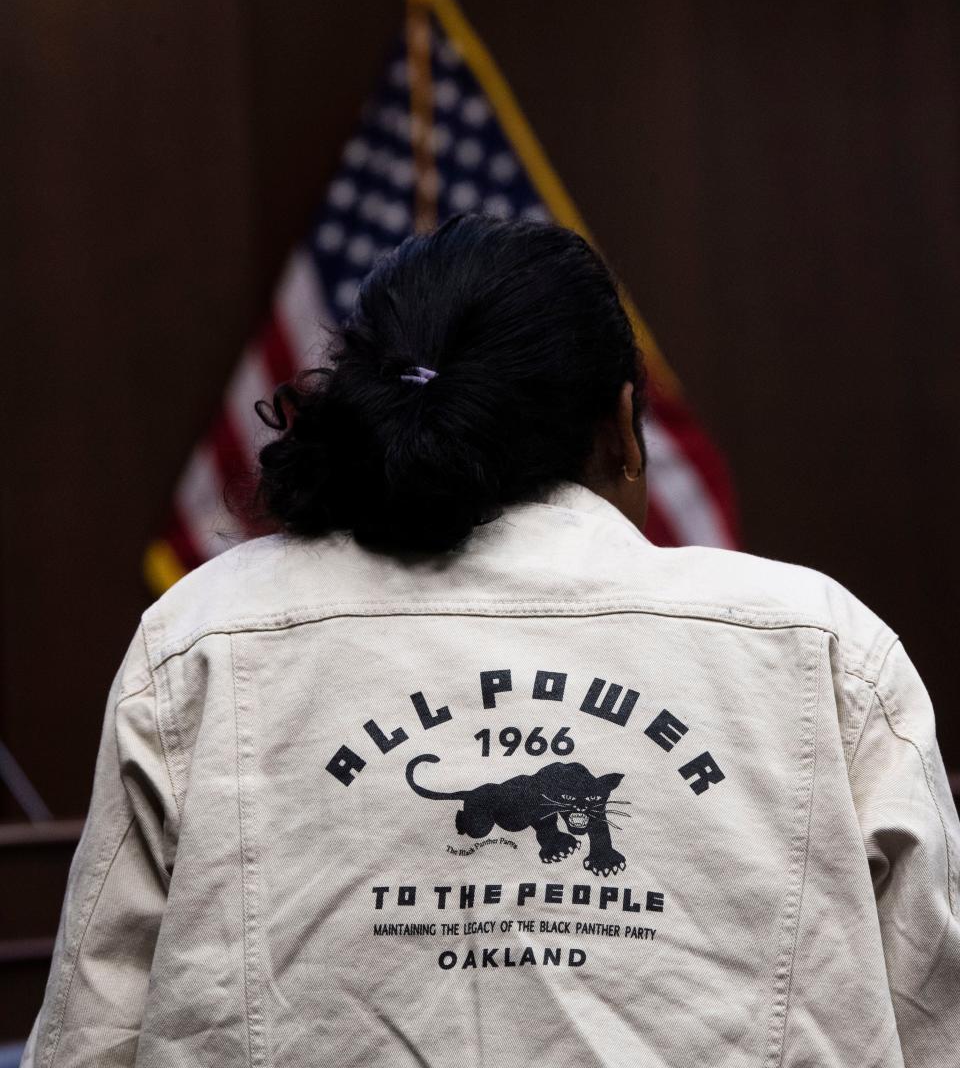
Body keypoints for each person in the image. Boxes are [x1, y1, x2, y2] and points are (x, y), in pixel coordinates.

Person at [23, 214, 959, 1066]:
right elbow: (936, 1021)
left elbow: (90, 1039)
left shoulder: (202, 637)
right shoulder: (818, 644)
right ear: (625, 430)